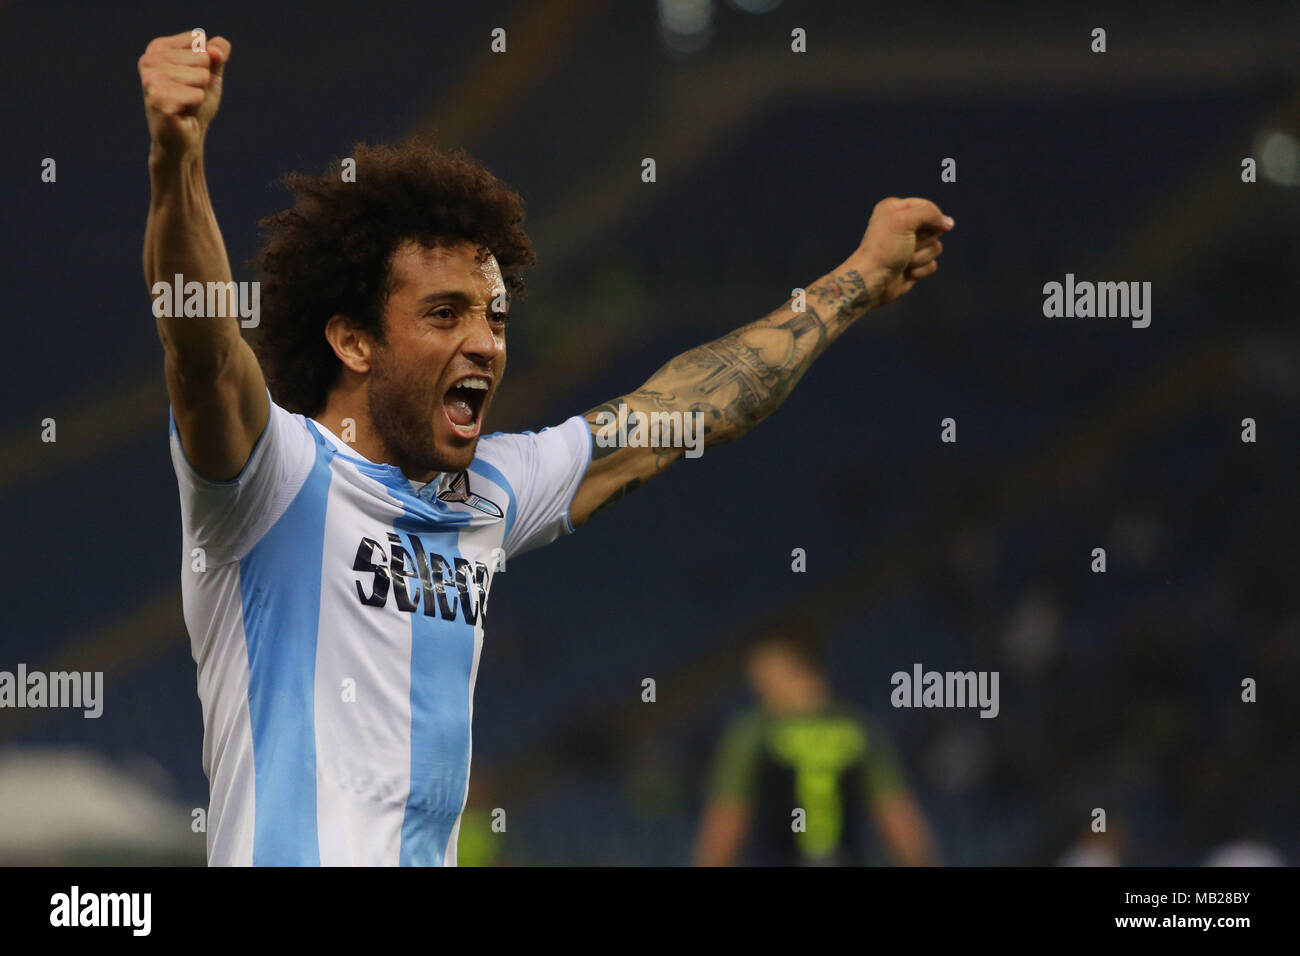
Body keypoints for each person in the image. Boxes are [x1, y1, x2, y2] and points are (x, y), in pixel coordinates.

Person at [138, 30, 954, 865]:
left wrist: (854, 280)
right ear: (353, 342)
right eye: (445, 314)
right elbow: (200, 346)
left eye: (494, 316)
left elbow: (692, 407)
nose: (488, 343)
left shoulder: (494, 488)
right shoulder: (271, 479)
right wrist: (178, 158)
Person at [695, 630, 939, 865]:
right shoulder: (858, 729)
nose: (759, 687)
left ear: (802, 670)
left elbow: (725, 825)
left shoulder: (753, 734)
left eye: (767, 675)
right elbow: (900, 823)